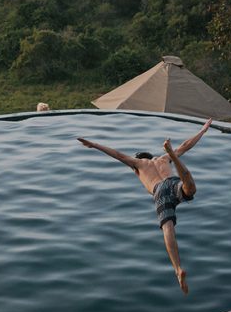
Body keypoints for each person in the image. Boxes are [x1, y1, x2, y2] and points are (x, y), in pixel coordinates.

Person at [76, 118, 212, 293]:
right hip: (173, 182)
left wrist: (94, 145)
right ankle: (176, 161)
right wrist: (203, 130)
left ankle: (177, 268)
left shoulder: (138, 164)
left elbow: (118, 155)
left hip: (160, 191)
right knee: (190, 188)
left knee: (168, 227)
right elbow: (186, 145)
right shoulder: (163, 159)